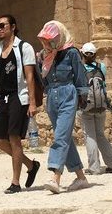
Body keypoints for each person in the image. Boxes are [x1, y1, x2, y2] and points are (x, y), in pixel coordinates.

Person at [0, 14, 41, 193]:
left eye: (2, 25)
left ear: (12, 27)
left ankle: (15, 182)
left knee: (13, 137)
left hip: (19, 97)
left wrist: (32, 103)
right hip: (2, 98)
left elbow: (30, 76)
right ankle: (30, 165)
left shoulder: (24, 47)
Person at [37, 20, 90, 194]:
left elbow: (80, 76)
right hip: (52, 97)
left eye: (50, 41)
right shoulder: (44, 56)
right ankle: (81, 178)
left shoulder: (71, 53)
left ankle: (55, 177)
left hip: (68, 94)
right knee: (64, 136)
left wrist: (82, 97)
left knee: (60, 136)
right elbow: (43, 80)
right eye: (44, 40)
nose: (46, 44)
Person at [79, 42, 112, 175]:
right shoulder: (101, 67)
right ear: (95, 54)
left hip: (86, 107)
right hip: (101, 106)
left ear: (82, 54)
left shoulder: (80, 68)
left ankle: (94, 168)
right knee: (100, 135)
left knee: (90, 136)